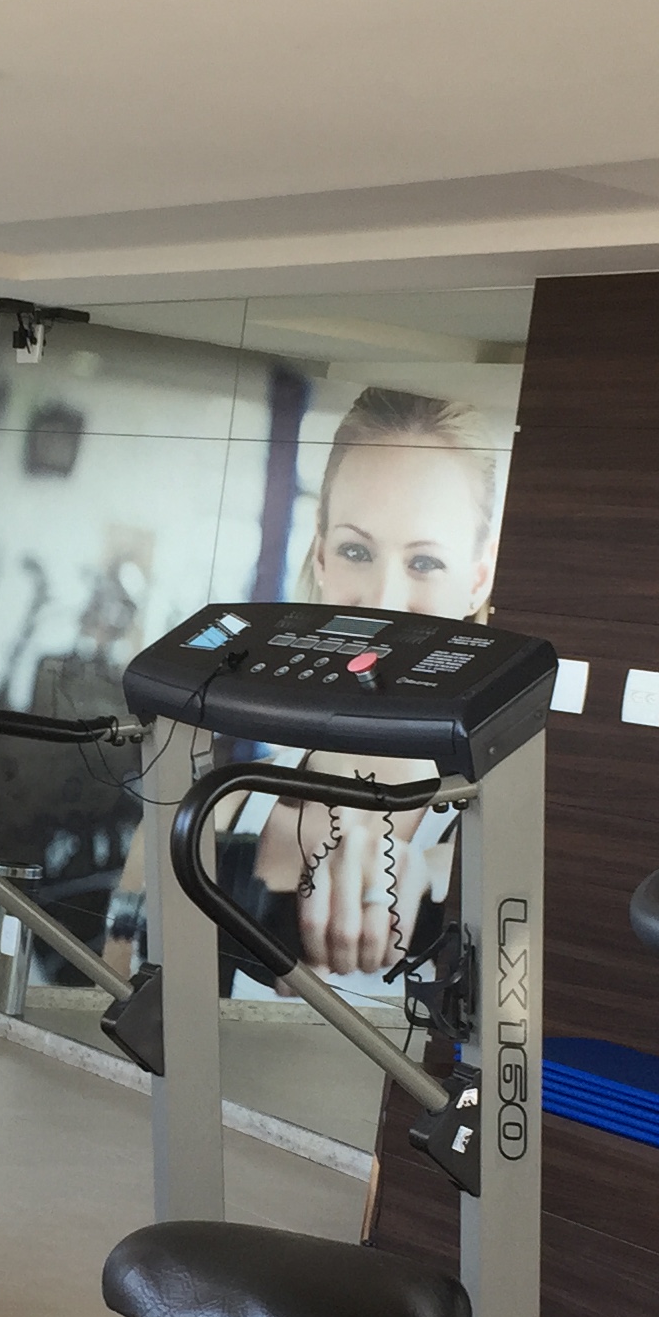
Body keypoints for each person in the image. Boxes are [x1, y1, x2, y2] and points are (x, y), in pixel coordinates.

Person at [245, 386, 505, 978]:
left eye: (424, 562)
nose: (384, 604)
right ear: (321, 557)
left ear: (478, 577)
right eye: (357, 551)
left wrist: (447, 886)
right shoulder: (214, 813)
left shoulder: (498, 851)